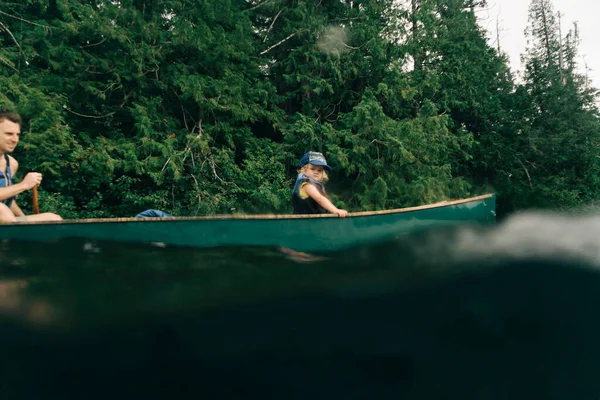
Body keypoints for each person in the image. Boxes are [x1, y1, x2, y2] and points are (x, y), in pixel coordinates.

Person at [0, 111, 62, 222]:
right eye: (9, 134)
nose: (15, 140)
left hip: (7, 221)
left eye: (17, 134)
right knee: (1, 210)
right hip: (3, 216)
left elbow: (7, 197)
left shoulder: (12, 164)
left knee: (53, 219)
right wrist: (24, 185)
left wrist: (25, 221)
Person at [291, 151, 348, 217]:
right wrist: (336, 211)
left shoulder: (317, 186)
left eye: (319, 170)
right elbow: (319, 199)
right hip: (304, 223)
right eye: (312, 169)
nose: (316, 172)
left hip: (315, 222)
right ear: (304, 169)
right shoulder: (306, 184)